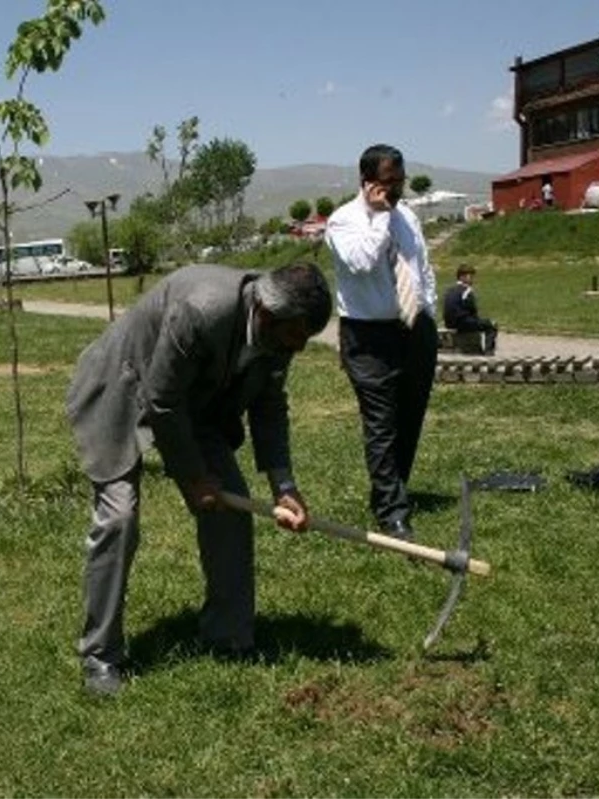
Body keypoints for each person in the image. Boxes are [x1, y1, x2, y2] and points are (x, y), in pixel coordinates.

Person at [65, 261, 333, 696]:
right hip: (124, 386)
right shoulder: (202, 309)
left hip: (195, 402)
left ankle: (228, 635)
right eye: (293, 337)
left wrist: (284, 487)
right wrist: (193, 477)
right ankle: (100, 655)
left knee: (229, 506)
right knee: (118, 519)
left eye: (305, 339)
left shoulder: (280, 336)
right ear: (265, 312)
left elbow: (269, 407)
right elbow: (161, 400)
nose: (297, 349)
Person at [325, 143, 438, 543]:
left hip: (415, 329)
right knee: (381, 424)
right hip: (368, 336)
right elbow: (361, 262)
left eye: (400, 182)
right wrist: (379, 218)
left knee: (409, 418)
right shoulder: (343, 222)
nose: (396, 191)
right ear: (367, 182)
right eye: (389, 183)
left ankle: (393, 491)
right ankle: (392, 513)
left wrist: (429, 313)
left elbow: (420, 268)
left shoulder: (407, 216)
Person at [443, 265, 498, 355]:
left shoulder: (450, 290)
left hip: (449, 323)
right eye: (470, 277)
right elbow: (472, 309)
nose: (472, 280)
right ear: (462, 277)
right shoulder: (466, 290)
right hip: (462, 323)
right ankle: (489, 351)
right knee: (491, 324)